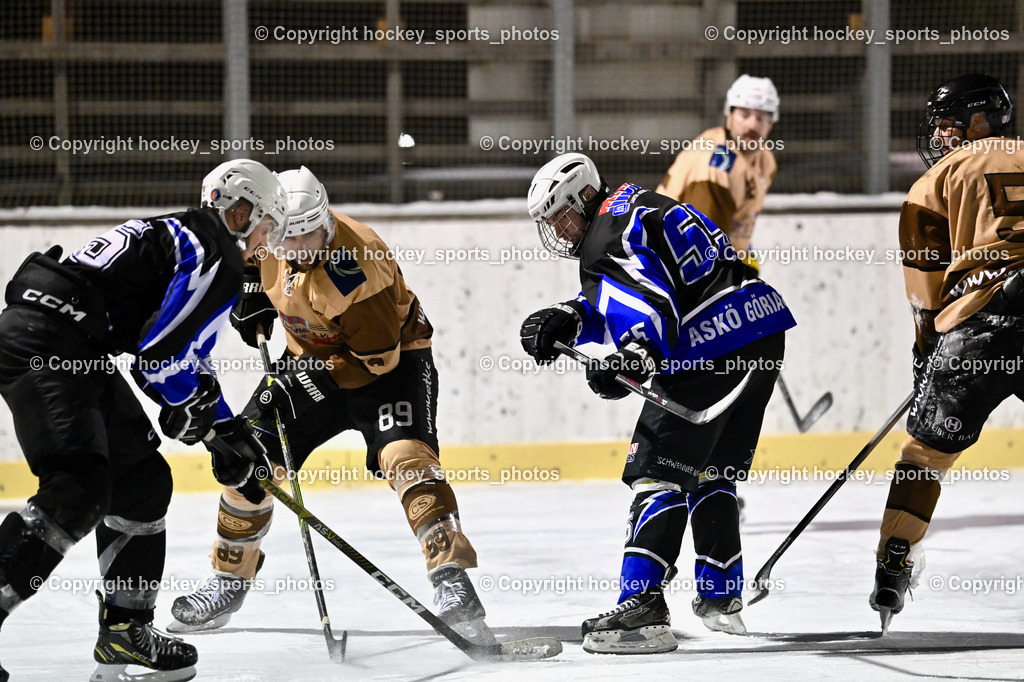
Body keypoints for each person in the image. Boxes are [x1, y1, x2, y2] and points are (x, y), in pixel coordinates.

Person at [167, 166, 496, 644]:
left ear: (326, 219)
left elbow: (376, 361)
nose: (301, 250)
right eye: (288, 240)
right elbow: (247, 257)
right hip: (307, 359)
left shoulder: (358, 265)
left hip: (391, 368)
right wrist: (250, 291)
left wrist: (307, 377)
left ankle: (453, 582)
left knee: (407, 461)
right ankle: (228, 579)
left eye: (313, 236)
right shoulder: (269, 232)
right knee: (248, 460)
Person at [0, 159, 286, 682]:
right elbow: (161, 359)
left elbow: (168, 364)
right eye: (266, 227)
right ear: (243, 211)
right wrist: (211, 423)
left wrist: (224, 428)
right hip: (50, 345)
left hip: (69, 344)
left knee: (140, 479)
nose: (263, 245)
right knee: (79, 488)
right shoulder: (216, 251)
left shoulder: (187, 234)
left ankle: (124, 633)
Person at [519, 153, 795, 653]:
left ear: (584, 198)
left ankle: (641, 608)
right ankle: (719, 595)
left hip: (710, 344)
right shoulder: (633, 205)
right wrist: (571, 315)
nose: (558, 231)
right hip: (759, 324)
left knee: (656, 470)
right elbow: (651, 282)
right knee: (713, 469)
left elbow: (651, 302)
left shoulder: (603, 236)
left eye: (561, 216)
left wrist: (633, 357)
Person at [870, 73, 1021, 630]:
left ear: (980, 121)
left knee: (924, 456)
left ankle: (893, 566)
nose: (939, 135)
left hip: (975, 326)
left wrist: (925, 351)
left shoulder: (934, 181)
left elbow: (925, 290)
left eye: (949, 123)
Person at [656, 74, 779, 270]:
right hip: (673, 266)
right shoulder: (714, 169)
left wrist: (743, 255)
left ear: (772, 123)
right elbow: (702, 249)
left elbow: (739, 217)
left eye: (762, 117)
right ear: (729, 116)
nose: (752, 125)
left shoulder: (764, 160)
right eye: (744, 115)